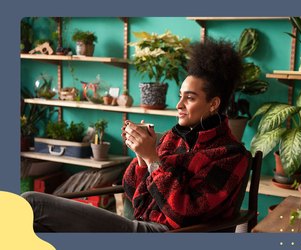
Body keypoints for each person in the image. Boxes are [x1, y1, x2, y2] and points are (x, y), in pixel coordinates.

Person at [22, 38, 250, 232]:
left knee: (32, 205)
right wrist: (141, 159)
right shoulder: (175, 136)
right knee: (35, 224)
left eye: (189, 98)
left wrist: (153, 159)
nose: (179, 104)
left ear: (214, 104)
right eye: (180, 96)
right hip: (139, 225)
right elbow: (132, 193)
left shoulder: (231, 155)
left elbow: (183, 213)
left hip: (168, 235)